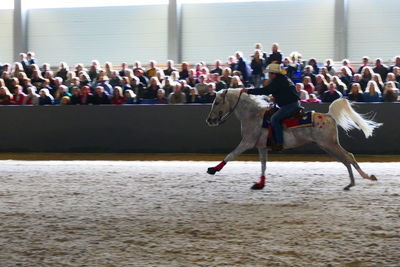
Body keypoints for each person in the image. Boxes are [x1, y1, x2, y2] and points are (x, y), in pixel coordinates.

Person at [242, 63, 300, 151]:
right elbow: (284, 92)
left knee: (274, 119)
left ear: (274, 74)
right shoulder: (283, 78)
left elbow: (265, 90)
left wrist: (248, 91)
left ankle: (280, 143)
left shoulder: (278, 81)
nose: (268, 75)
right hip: (291, 103)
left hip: (289, 105)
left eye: (269, 73)